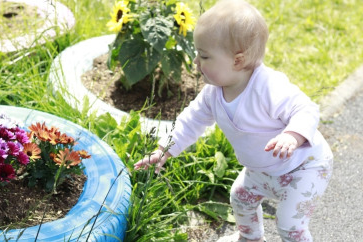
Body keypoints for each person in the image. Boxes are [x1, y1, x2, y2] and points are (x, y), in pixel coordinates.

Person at [134, 0, 333, 241]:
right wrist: (163, 150)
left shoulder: (268, 87)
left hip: (304, 167)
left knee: (289, 224)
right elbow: (190, 122)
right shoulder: (213, 93)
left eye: (204, 56)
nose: (196, 62)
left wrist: (292, 135)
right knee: (240, 198)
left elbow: (306, 109)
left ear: (237, 61)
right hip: (262, 169)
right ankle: (251, 238)